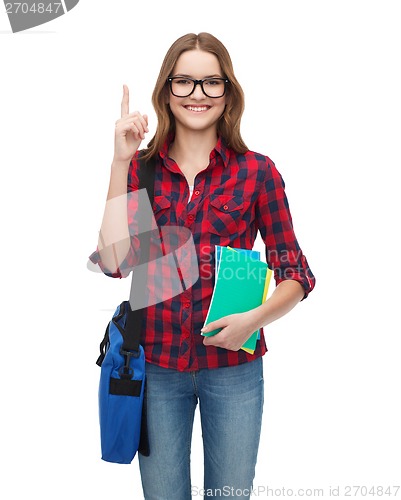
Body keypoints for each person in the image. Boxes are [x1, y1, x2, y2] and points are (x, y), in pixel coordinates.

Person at [89, 32, 315, 500]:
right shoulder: (141, 170)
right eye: (184, 82)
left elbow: (296, 274)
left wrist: (253, 321)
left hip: (234, 369)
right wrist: (119, 161)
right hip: (157, 370)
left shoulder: (257, 172)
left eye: (211, 82)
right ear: (166, 91)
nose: (197, 94)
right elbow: (113, 262)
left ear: (227, 93)